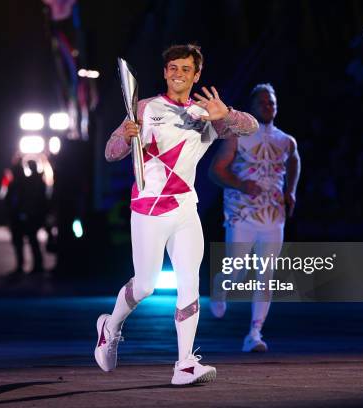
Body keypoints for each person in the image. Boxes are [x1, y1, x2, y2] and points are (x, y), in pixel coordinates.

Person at [96, 44, 258, 385]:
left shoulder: (207, 114)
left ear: (196, 74)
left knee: (189, 283)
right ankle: (109, 327)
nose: (178, 73)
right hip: (147, 208)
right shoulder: (144, 107)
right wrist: (126, 138)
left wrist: (225, 115)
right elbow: (111, 153)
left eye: (186, 68)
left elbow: (251, 127)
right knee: (145, 286)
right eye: (173, 68)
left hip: (185, 208)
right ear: (165, 71)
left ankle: (184, 363)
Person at [209, 83, 301, 352]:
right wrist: (240, 184)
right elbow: (215, 172)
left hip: (274, 216)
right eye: (262, 103)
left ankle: (254, 334)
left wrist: (290, 191)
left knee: (266, 274)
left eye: (272, 102)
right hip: (241, 213)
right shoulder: (236, 135)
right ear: (252, 106)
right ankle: (220, 285)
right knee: (236, 272)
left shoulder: (286, 140)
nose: (268, 106)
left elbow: (294, 160)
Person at [4, 160, 46, 275]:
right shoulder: (27, 182)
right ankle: (32, 265)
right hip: (24, 215)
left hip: (25, 215)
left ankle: (30, 265)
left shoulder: (24, 183)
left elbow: (16, 201)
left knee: (26, 241)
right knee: (27, 241)